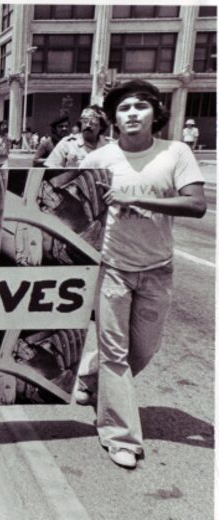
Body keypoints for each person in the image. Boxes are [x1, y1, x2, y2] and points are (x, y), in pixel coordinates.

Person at [75, 79, 206, 469]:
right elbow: (73, 206)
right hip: (110, 267)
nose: (132, 113)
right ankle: (120, 436)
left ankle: (88, 376)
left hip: (157, 270)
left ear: (155, 114)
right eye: (123, 108)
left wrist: (135, 198)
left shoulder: (176, 152)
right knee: (116, 354)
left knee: (142, 352)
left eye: (140, 106)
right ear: (113, 119)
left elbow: (196, 204)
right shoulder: (98, 160)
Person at [45, 105, 111, 168]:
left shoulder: (109, 146)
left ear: (101, 126)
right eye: (85, 121)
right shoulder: (67, 144)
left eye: (92, 123)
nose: (87, 125)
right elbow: (51, 169)